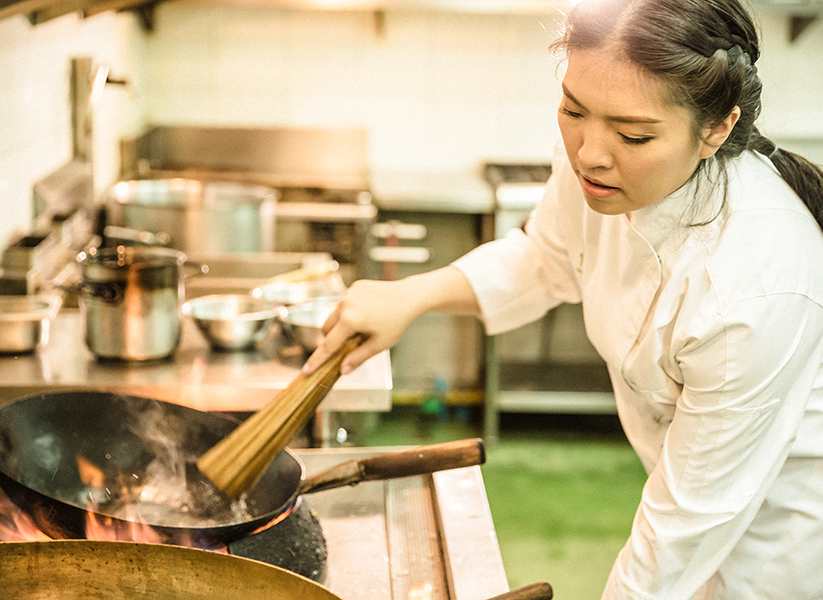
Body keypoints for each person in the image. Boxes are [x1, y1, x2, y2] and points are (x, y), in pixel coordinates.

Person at [303, 0, 823, 597]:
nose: (589, 152)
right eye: (573, 110)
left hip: (776, 540)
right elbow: (544, 259)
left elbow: (688, 520)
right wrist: (413, 295)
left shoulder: (758, 282)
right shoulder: (597, 169)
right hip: (695, 496)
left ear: (717, 129)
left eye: (634, 134)